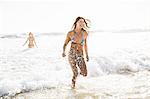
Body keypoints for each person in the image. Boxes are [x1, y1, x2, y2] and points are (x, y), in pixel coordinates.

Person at [62, 16, 90, 88]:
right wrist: (63, 52)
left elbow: (85, 45)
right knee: (75, 73)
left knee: (85, 73)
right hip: (72, 53)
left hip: (80, 54)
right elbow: (65, 43)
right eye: (80, 21)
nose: (82, 23)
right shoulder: (70, 33)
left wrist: (87, 55)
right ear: (76, 23)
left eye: (83, 22)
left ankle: (77, 76)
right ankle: (73, 87)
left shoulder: (85, 33)